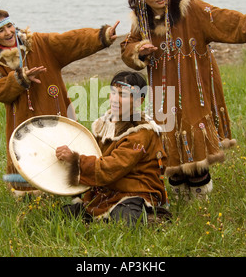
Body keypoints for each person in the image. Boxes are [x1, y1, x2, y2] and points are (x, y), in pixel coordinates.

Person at [120, 0, 246, 201]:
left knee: (193, 123)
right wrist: (138, 51)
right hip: (162, 90)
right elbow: (127, 49)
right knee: (168, 129)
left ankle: (200, 193)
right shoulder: (141, 22)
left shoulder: (189, 7)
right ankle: (176, 190)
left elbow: (222, 19)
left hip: (193, 83)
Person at [0, 2, 119, 197]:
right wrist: (21, 78)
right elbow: (0, 91)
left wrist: (100, 36)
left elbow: (69, 41)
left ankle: (71, 190)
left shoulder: (38, 43)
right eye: (1, 30)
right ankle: (33, 198)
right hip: (22, 119)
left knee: (62, 150)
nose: (8, 32)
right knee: (30, 155)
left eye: (9, 26)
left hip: (54, 111)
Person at [55, 71, 171, 225]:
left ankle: (151, 217)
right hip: (106, 191)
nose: (115, 99)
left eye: (122, 95)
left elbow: (112, 166)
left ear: (138, 101)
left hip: (135, 192)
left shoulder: (142, 132)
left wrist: (76, 160)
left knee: (124, 220)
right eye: (113, 93)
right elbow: (93, 154)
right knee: (61, 215)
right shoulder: (103, 125)